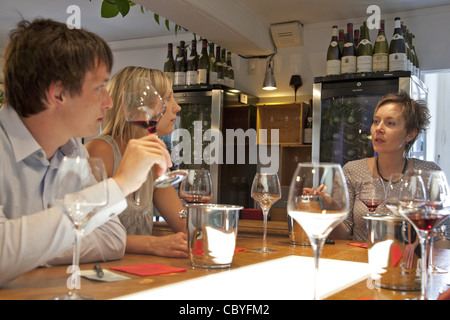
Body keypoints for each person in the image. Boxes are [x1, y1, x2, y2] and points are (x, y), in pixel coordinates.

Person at [0, 19, 172, 286]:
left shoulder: (73, 151)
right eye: (99, 87)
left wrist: (28, 249)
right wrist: (121, 183)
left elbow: (113, 239)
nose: (110, 102)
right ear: (57, 94)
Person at [86, 66, 188, 258]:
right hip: (101, 275)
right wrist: (153, 244)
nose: (177, 106)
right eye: (168, 98)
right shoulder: (100, 151)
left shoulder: (151, 156)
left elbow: (182, 221)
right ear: (139, 106)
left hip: (139, 275)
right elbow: (88, 231)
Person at [332, 91, 441, 241]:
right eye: (376, 121)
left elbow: (442, 234)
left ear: (410, 134)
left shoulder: (429, 173)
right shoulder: (352, 170)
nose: (379, 128)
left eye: (390, 123)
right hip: (363, 261)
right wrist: (330, 209)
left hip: (413, 262)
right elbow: (341, 235)